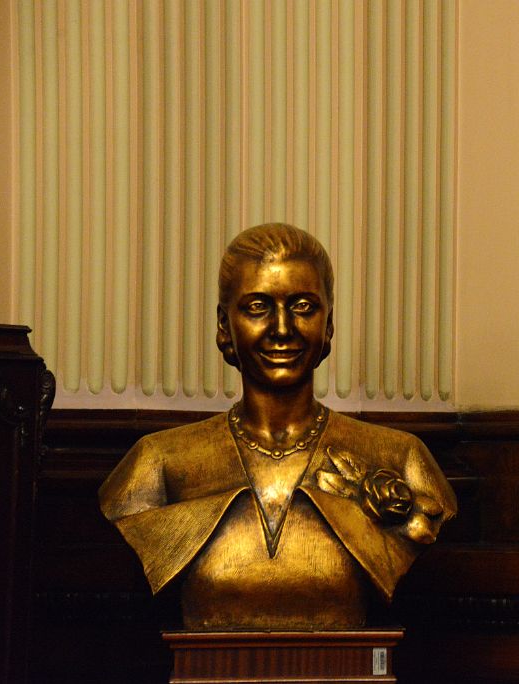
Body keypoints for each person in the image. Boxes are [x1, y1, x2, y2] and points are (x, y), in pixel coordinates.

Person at [99, 223, 456, 631]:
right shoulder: (156, 463)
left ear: (329, 324)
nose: (282, 329)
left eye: (303, 306)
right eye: (257, 307)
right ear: (223, 325)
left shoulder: (401, 458)